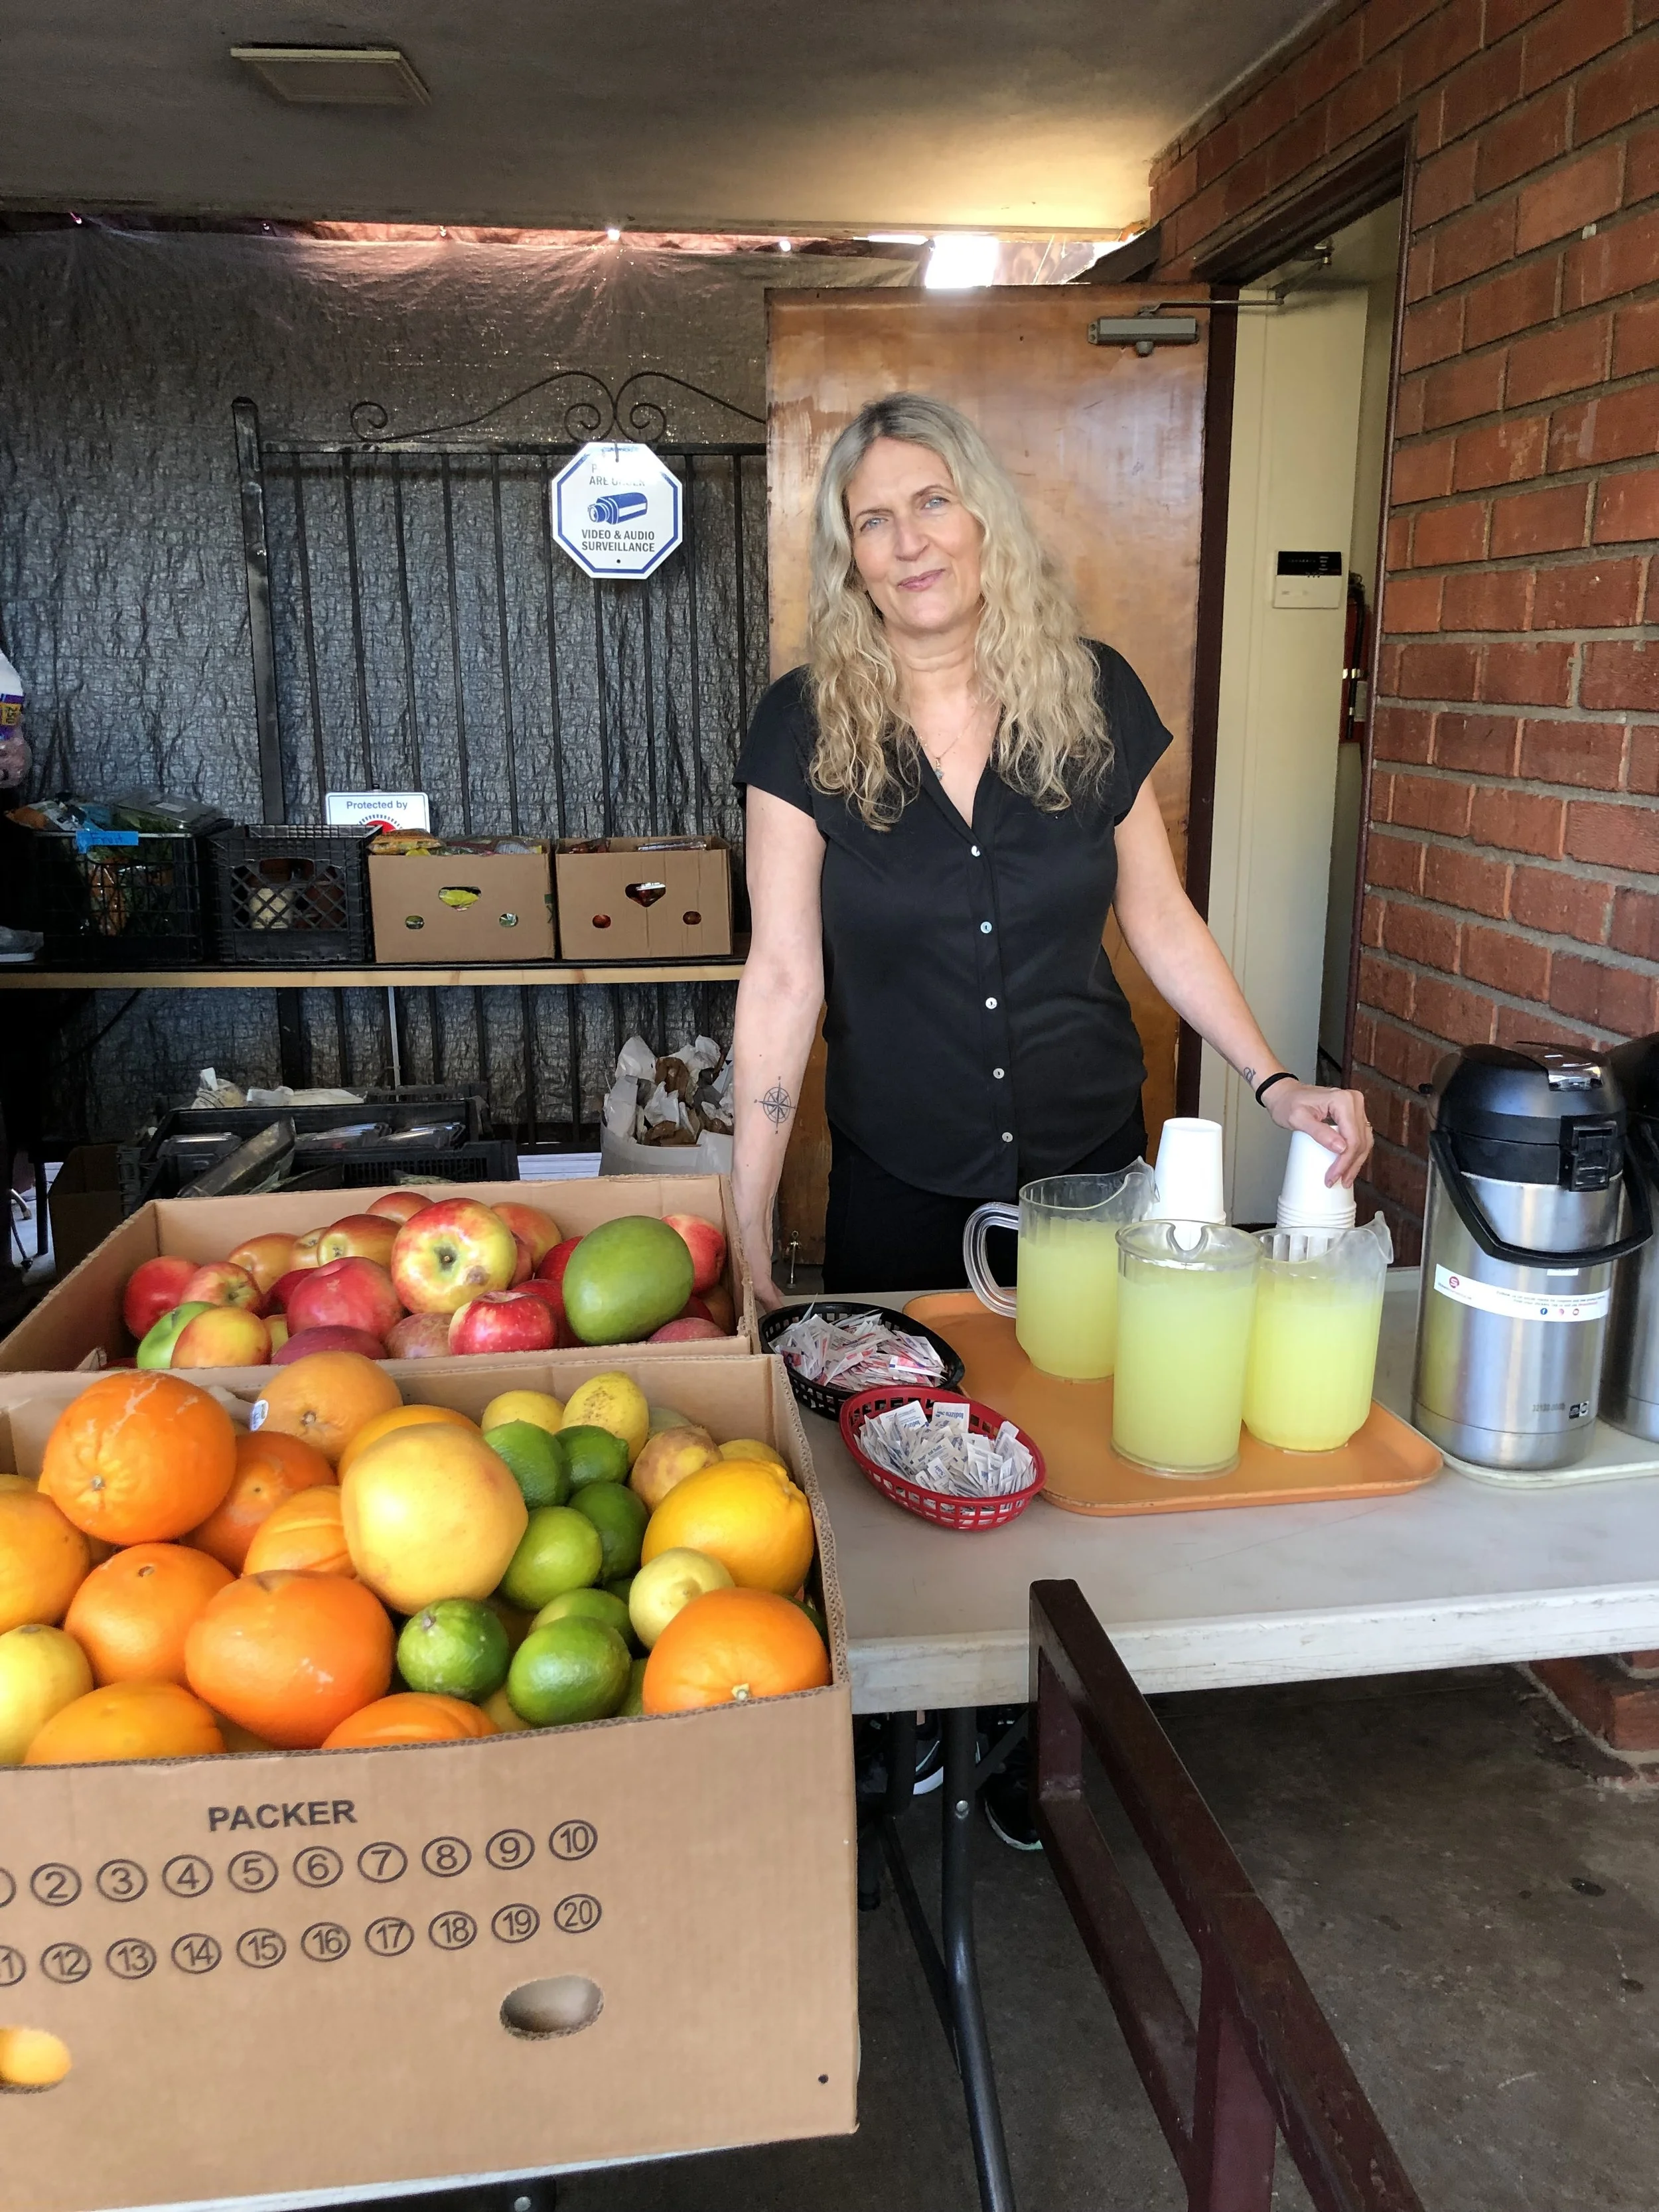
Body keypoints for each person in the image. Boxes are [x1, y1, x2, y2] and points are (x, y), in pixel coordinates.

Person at [731, 392, 1374, 1842]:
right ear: (846, 554)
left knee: (1080, 1460)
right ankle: (910, 1734)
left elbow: (1158, 919)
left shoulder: (1086, 694)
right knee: (907, 1467)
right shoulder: (802, 724)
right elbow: (779, 974)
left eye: (931, 504)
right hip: (904, 1177)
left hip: (1090, 1177)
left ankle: (1040, 1738)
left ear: (983, 519)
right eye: (872, 519)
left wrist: (1274, 1080)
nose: (908, 542)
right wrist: (745, 1216)